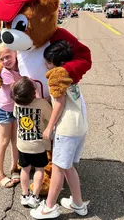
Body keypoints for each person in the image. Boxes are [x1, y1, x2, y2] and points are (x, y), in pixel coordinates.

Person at [30, 40, 88, 219]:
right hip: (80, 125)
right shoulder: (69, 72)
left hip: (67, 128)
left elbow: (60, 103)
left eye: (47, 62)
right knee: (68, 166)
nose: (45, 65)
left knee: (57, 170)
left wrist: (50, 126)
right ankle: (78, 204)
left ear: (56, 64)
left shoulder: (56, 76)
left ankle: (48, 208)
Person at [11, 77, 52, 208]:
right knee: (39, 170)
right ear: (34, 92)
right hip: (38, 145)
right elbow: (50, 117)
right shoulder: (42, 104)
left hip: (22, 144)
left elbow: (15, 114)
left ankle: (24, 195)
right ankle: (35, 197)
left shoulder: (17, 104)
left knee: (25, 169)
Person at [0, 43, 21, 188]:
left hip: (16, 110)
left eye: (8, 56)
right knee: (4, 141)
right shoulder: (5, 72)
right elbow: (16, 91)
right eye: (2, 59)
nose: (6, 61)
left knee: (15, 140)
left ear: (16, 53)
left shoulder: (20, 66)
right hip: (5, 109)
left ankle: (14, 168)